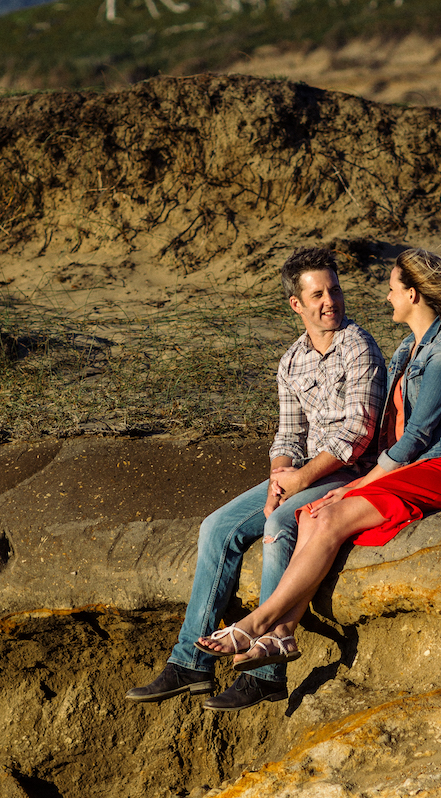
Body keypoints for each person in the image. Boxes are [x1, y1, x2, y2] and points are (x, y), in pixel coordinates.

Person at [194, 248, 441, 677]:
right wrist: (286, 478)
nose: (386, 297)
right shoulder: (407, 347)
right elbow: (303, 431)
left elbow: (415, 438)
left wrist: (353, 486)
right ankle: (283, 633)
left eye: (393, 288)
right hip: (408, 465)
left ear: (413, 295)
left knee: (327, 516)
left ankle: (259, 622)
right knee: (310, 515)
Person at [126, 246, 387, 712]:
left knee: (278, 524)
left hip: (352, 472)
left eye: (335, 290)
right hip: (304, 472)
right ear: (297, 305)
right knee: (217, 528)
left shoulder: (359, 347)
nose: (331, 301)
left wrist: (299, 482)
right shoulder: (290, 362)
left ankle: (266, 671)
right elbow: (288, 433)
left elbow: (360, 433)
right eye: (318, 295)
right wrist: (276, 480)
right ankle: (190, 663)